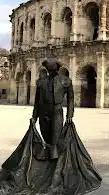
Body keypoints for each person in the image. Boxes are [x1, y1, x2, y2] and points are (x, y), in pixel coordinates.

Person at [0, 57, 102, 195]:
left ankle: (55, 171)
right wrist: (34, 117)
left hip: (56, 112)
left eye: (51, 67)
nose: (49, 69)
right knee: (47, 140)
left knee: (55, 140)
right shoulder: (41, 82)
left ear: (56, 68)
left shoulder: (66, 80)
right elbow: (37, 102)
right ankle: (48, 167)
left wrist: (70, 115)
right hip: (43, 113)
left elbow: (71, 99)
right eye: (48, 67)